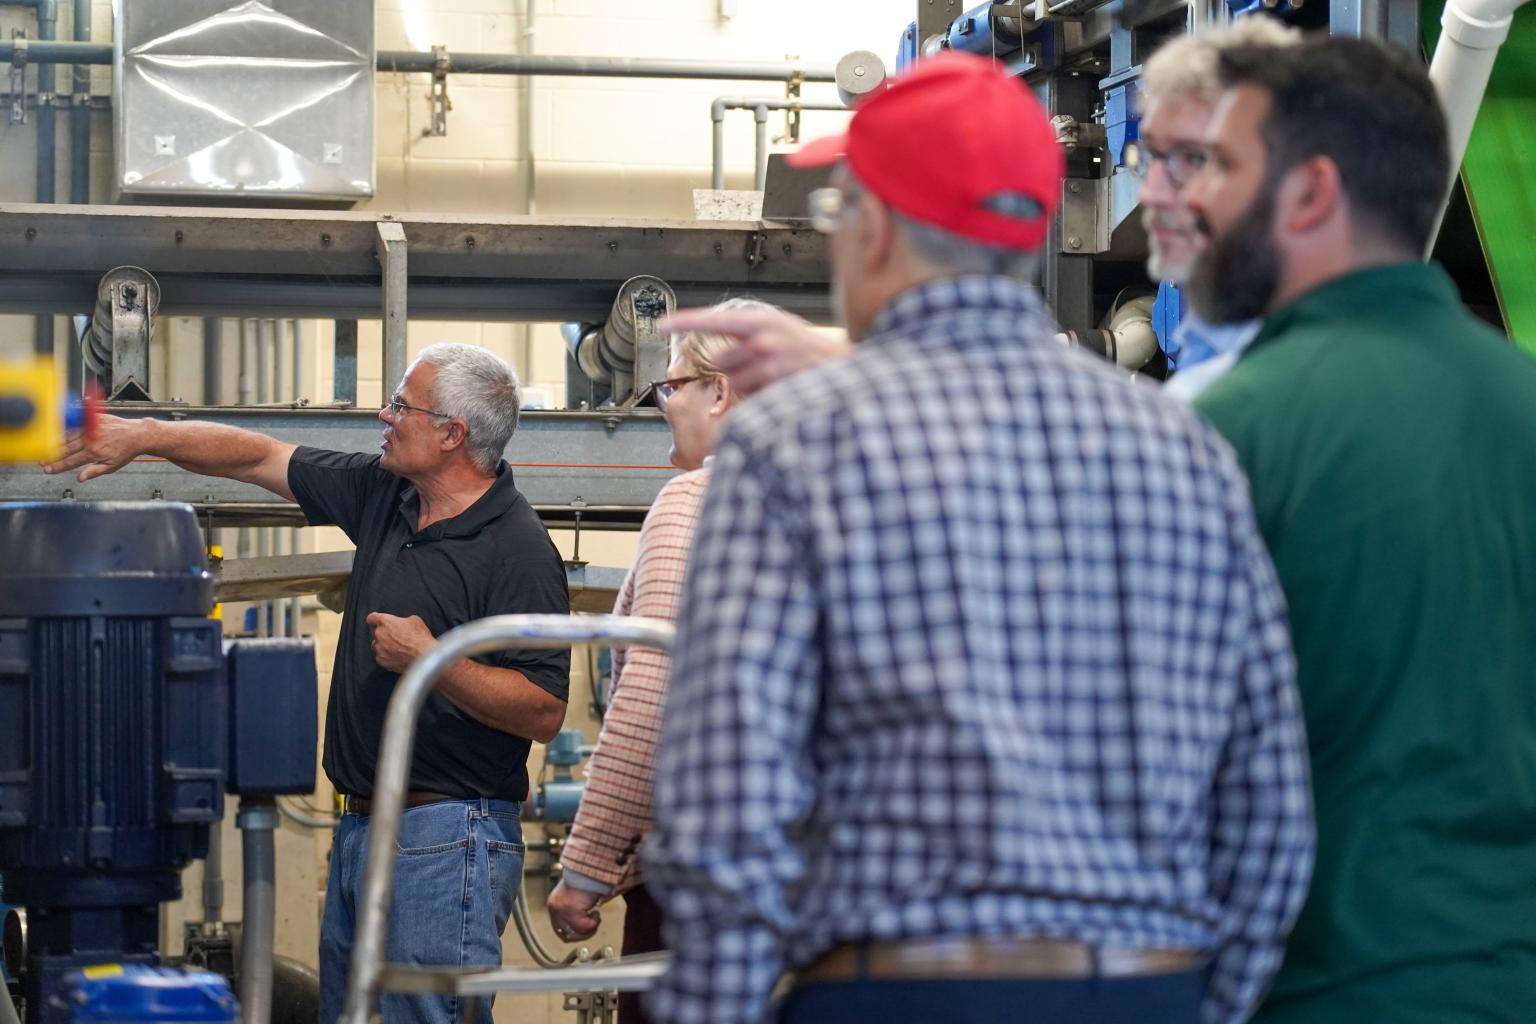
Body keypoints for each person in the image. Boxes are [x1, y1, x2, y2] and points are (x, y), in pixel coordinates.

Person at [643, 53, 1313, 1024]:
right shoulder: (1185, 450)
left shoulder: (793, 441)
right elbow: (1268, 801)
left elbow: (726, 802)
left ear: (870, 230)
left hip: (898, 989)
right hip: (1148, 986)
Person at [43, 342, 571, 1024]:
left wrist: (432, 660)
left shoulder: (520, 550)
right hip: (361, 826)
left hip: (450, 835)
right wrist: (146, 436)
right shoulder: (387, 495)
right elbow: (258, 455)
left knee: (426, 1017)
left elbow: (544, 711)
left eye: (401, 405)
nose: (384, 414)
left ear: (451, 434)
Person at [1182, 35, 1536, 1023]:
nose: (1193, 201)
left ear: (1309, 193)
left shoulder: (1224, 439)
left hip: (1314, 987)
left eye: (1221, 165)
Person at [546, 300, 772, 1024]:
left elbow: (653, 692)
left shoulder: (697, 498)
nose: (664, 405)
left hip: (701, 875)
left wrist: (586, 866)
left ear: (721, 389)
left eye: (671, 386)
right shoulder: (833, 498)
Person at [1134, 17, 1296, 400]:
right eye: (1153, 157)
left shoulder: (1299, 390)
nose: (1150, 193)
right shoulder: (1204, 358)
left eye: (1192, 157)